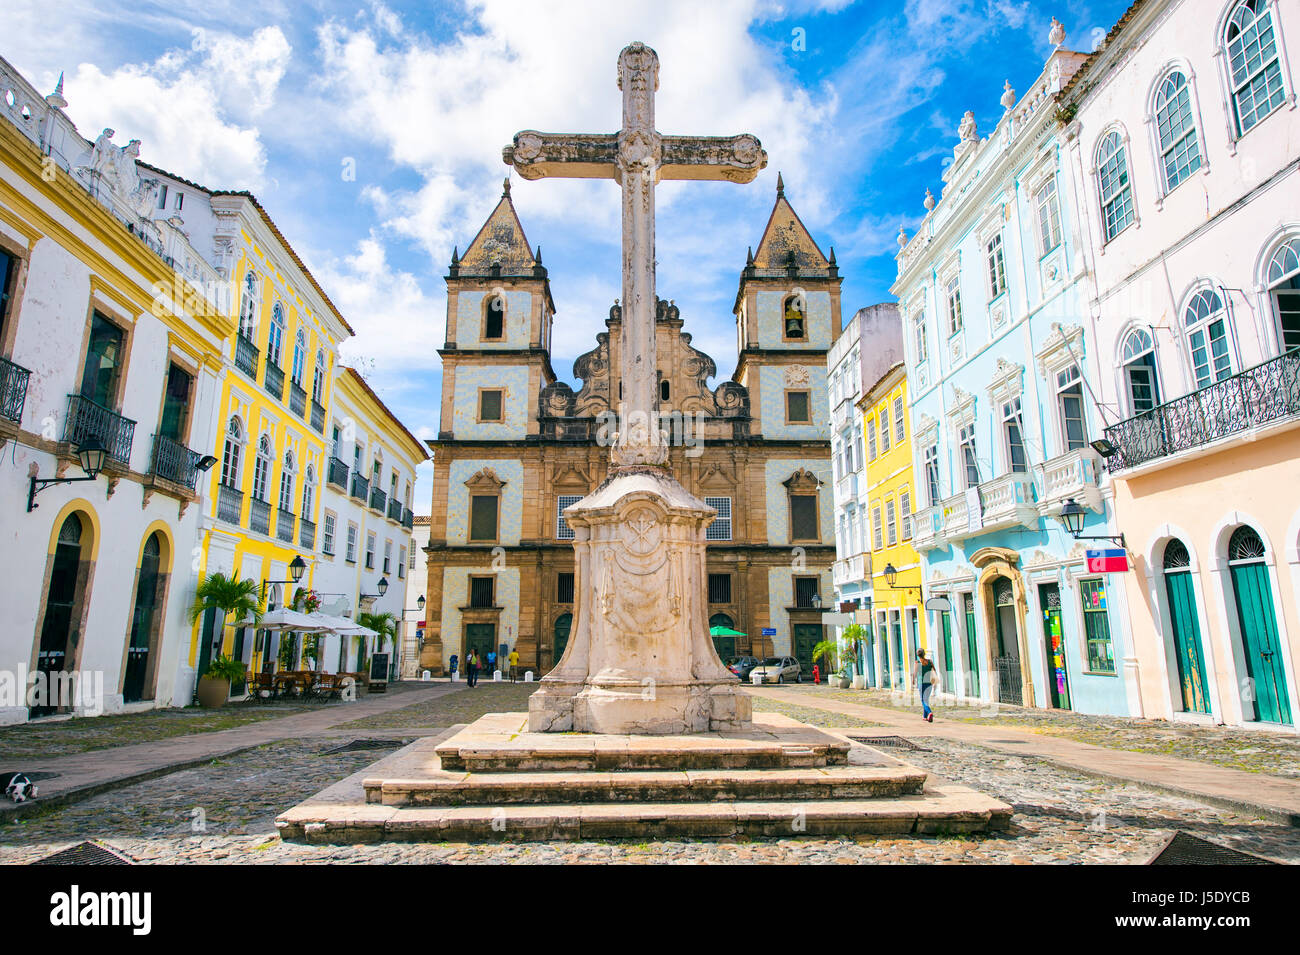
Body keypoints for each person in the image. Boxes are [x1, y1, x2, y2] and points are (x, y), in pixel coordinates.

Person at [917, 649, 936, 722]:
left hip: (921, 683)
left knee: (923, 700)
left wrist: (913, 680)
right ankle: (924, 716)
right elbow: (934, 671)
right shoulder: (930, 662)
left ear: (918, 655)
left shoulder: (918, 662)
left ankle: (929, 712)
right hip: (929, 683)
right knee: (926, 699)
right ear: (924, 654)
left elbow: (915, 673)